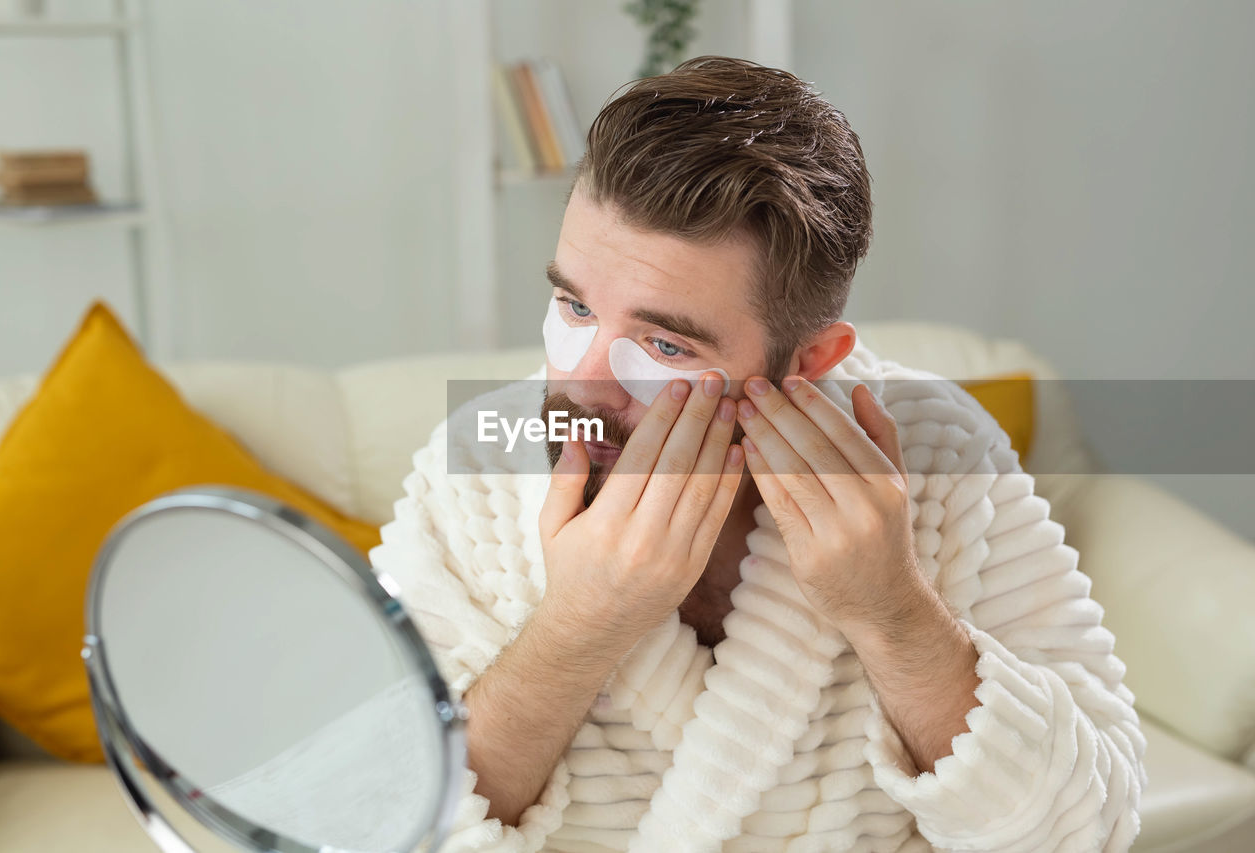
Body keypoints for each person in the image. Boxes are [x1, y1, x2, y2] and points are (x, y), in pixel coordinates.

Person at [370, 56, 1146, 852]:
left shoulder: (940, 450)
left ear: (810, 360)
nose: (583, 381)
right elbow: (375, 821)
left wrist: (892, 609)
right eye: (573, 304)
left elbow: (1089, 828)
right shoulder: (474, 467)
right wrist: (577, 628)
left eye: (663, 342)